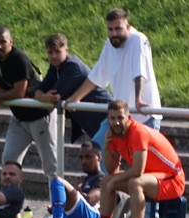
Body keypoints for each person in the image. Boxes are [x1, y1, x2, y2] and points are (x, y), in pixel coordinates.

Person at [61, 8, 162, 155]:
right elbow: (96, 75)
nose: (114, 34)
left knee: (145, 163)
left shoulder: (138, 40)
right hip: (119, 116)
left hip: (144, 115)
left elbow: (140, 73)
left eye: (118, 29)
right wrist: (76, 97)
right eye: (110, 29)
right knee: (96, 152)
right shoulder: (109, 45)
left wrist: (138, 99)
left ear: (127, 26)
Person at [91, 99, 184, 218]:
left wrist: (115, 180)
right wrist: (107, 146)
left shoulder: (138, 132)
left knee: (135, 183)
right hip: (151, 177)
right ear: (108, 119)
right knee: (106, 180)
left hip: (173, 178)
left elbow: (137, 171)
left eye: (120, 118)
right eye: (113, 118)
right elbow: (112, 170)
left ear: (128, 118)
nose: (116, 122)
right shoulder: (114, 134)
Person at [13, 141, 131, 218]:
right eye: (81, 157)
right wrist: (58, 207)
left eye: (88, 157)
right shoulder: (84, 179)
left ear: (99, 157)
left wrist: (77, 188)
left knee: (57, 181)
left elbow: (90, 199)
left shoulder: (102, 179)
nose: (84, 161)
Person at [0, 25, 56, 181]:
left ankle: (57, 197)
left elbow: (19, 92)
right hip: (19, 118)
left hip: (41, 117)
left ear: (11, 41)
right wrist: (2, 94)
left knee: (51, 167)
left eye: (2, 42)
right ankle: (10, 196)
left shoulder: (19, 58)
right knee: (9, 162)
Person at [34, 33, 111, 144]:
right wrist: (43, 96)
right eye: (50, 52)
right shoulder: (54, 68)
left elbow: (55, 97)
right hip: (91, 121)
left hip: (105, 117)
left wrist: (43, 96)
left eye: (57, 51)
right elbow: (39, 90)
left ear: (67, 50)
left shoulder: (73, 67)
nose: (54, 56)